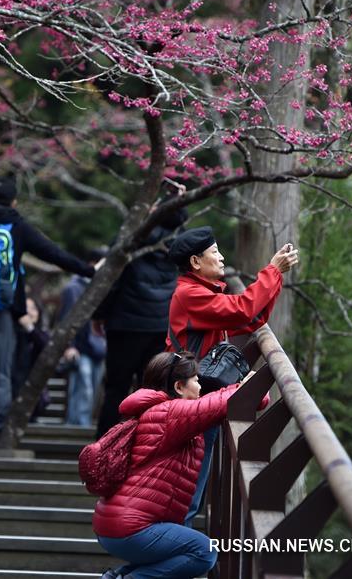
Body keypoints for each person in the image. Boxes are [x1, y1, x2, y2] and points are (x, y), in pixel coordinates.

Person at [0, 174, 97, 448]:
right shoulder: (18, 227)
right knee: (0, 372)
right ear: (14, 202)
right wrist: (88, 269)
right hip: (4, 309)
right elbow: (52, 253)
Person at [166, 225, 299, 526]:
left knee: (192, 490)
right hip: (193, 401)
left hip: (199, 394)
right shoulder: (190, 295)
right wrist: (272, 271)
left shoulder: (199, 292)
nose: (222, 258)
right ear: (196, 263)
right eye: (215, 252)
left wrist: (274, 277)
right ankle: (167, 556)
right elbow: (242, 310)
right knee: (188, 493)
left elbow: (252, 318)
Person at [93, 351, 268, 579]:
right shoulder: (169, 414)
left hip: (118, 525)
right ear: (178, 387)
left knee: (177, 556)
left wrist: (253, 391)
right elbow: (221, 402)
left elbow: (240, 403)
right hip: (129, 529)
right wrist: (248, 385)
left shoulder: (164, 412)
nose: (200, 386)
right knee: (204, 552)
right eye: (196, 380)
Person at [94, 204, 188, 439]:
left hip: (125, 324)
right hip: (159, 325)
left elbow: (111, 275)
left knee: (116, 388)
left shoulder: (135, 236)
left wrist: (100, 314)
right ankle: (143, 446)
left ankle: (105, 446)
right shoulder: (180, 242)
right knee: (152, 390)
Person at [57, 251, 107, 426]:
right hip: (81, 345)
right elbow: (65, 318)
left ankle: (79, 423)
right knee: (83, 387)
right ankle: (78, 425)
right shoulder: (74, 288)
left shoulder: (101, 286)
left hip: (98, 346)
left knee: (91, 389)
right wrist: (68, 345)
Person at [11, 295, 50, 422]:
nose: (28, 312)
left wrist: (30, 328)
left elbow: (46, 347)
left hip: (33, 394)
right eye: (25, 308)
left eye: (32, 308)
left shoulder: (41, 335)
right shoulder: (12, 335)